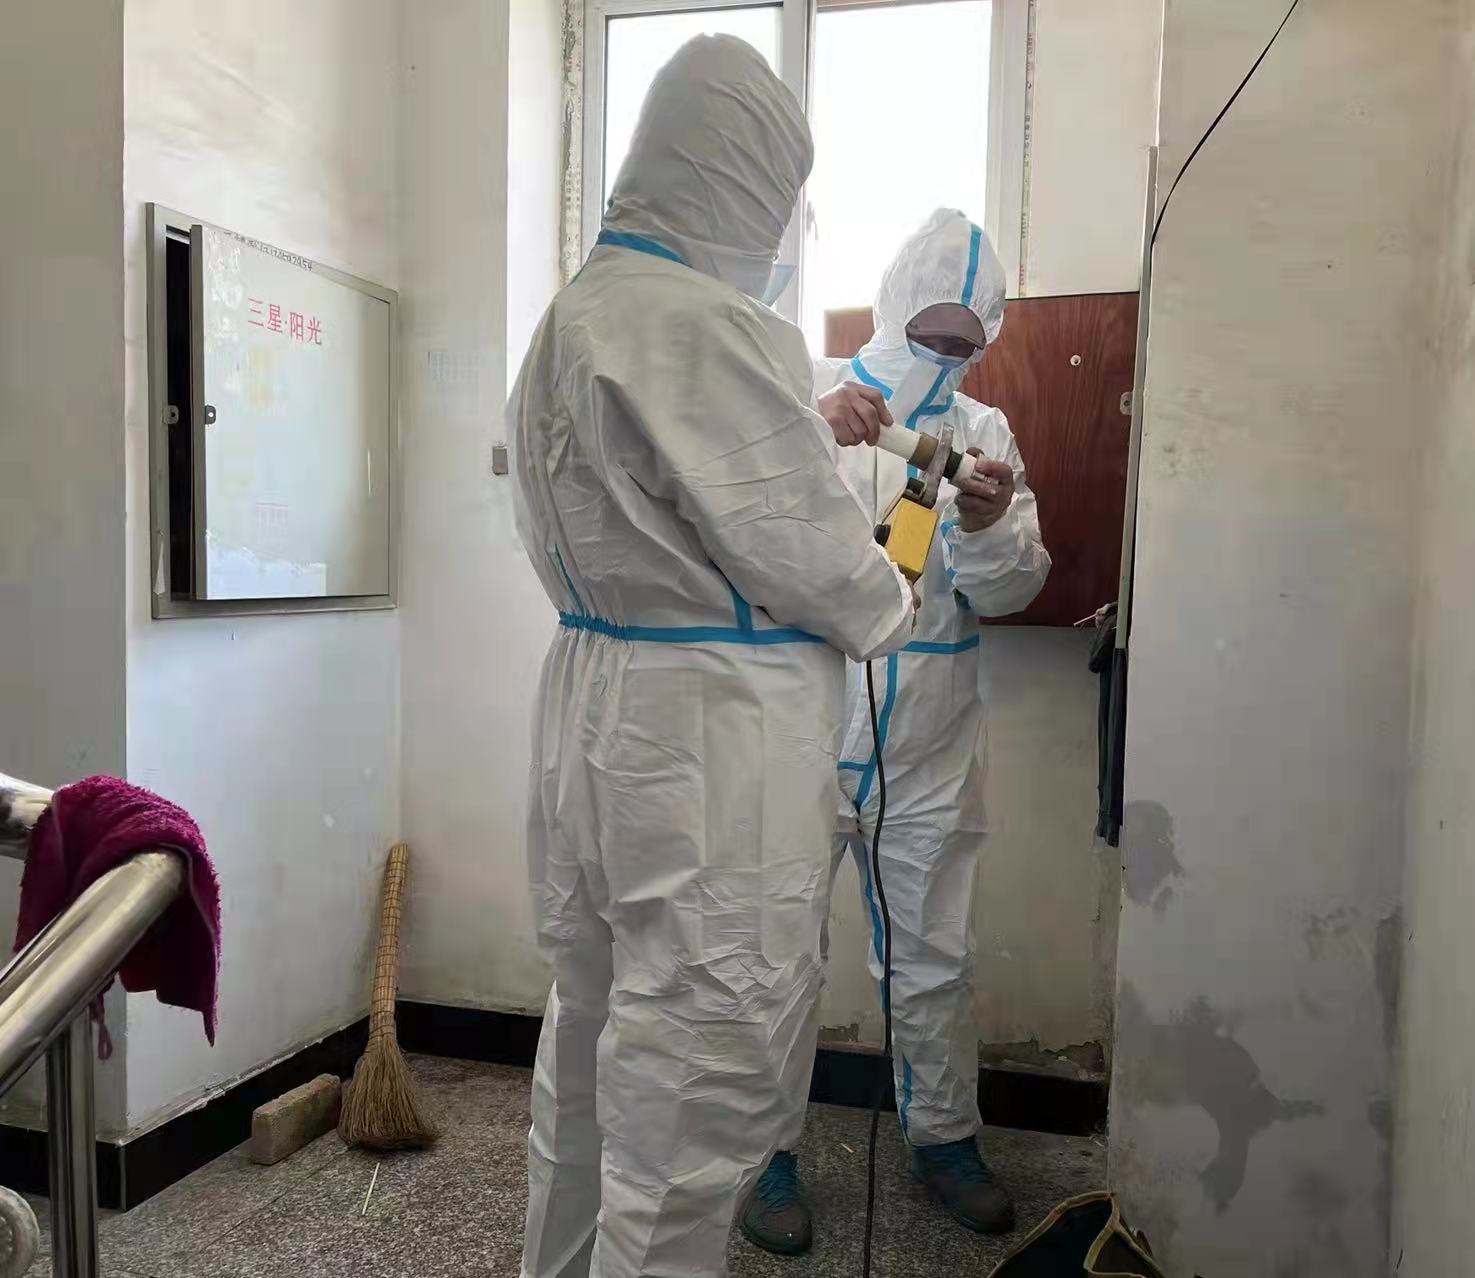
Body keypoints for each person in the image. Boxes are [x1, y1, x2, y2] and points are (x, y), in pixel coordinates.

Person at [507, 36, 918, 1278]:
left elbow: (677, 498)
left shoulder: (571, 315)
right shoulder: (709, 324)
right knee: (689, 1088)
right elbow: (820, 563)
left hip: (593, 704)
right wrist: (890, 585)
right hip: (706, 741)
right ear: (741, 176)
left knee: (589, 1048)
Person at [741, 209, 1051, 1256]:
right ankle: (763, 1155)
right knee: (775, 956)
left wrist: (986, 526)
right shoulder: (808, 393)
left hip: (926, 747)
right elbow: (738, 525)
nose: (946, 354)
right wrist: (808, 430)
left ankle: (944, 1139)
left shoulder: (984, 432)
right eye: (931, 331)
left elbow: (1009, 589)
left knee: (933, 957)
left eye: (967, 340)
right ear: (891, 306)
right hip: (799, 730)